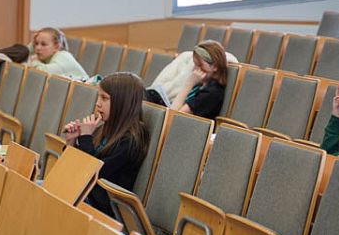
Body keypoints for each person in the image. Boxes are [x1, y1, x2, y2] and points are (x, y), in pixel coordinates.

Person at [63, 72, 150, 218]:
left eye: (104, 98)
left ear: (122, 103)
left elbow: (93, 173)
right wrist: (71, 142)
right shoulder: (105, 128)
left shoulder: (130, 140)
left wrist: (85, 137)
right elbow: (76, 169)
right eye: (98, 97)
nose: (97, 103)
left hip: (102, 209)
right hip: (84, 196)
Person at [169, 40, 228, 119]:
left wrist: (188, 84)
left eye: (200, 65)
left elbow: (172, 117)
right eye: (195, 64)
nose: (195, 70)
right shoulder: (201, 85)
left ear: (215, 66)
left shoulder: (211, 93)